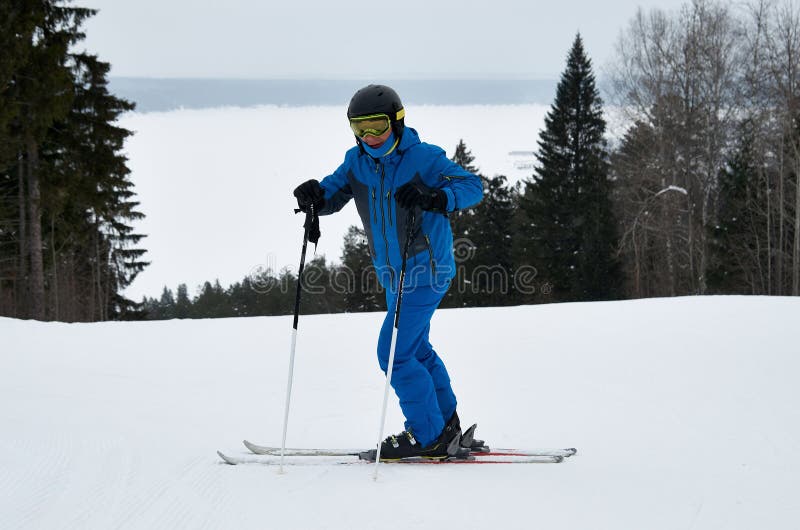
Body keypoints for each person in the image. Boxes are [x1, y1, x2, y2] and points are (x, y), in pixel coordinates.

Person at [293, 84, 483, 459]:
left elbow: (472, 186)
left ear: (396, 122)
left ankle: (426, 434)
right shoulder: (356, 162)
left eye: (377, 127)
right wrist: (314, 197)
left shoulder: (424, 158)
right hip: (393, 277)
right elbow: (333, 193)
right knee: (417, 350)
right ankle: (446, 426)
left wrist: (436, 198)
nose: (369, 137)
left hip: (426, 271)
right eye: (359, 128)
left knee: (393, 354)